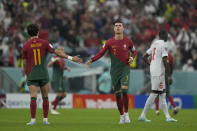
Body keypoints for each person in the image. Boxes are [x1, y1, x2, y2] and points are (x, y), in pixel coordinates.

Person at [22, 24, 82, 125]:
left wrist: (26, 74)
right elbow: (57, 53)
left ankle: (33, 120)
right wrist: (71, 58)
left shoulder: (26, 46)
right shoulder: (45, 43)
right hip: (43, 73)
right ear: (38, 32)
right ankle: (45, 120)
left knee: (33, 97)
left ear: (28, 33)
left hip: (32, 73)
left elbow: (24, 63)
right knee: (45, 97)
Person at [85, 20, 136, 124]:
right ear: (114, 29)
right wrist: (91, 60)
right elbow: (100, 53)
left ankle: (126, 114)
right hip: (114, 71)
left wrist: (132, 57)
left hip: (125, 69)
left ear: (123, 28)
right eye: (116, 26)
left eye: (119, 26)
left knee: (125, 91)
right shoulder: (109, 42)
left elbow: (134, 51)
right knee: (117, 95)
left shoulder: (128, 41)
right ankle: (121, 116)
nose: (118, 27)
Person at [138, 30, 177, 122]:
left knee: (162, 93)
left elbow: (144, 56)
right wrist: (169, 76)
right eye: (167, 35)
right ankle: (142, 115)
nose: (167, 37)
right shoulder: (164, 44)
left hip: (157, 71)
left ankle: (168, 117)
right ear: (165, 36)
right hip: (158, 72)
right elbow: (164, 60)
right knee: (154, 93)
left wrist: (151, 65)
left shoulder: (154, 44)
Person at [47, 46, 71, 115]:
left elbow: (61, 67)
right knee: (60, 94)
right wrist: (55, 60)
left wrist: (66, 68)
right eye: (61, 50)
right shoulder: (55, 58)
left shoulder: (62, 58)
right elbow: (48, 65)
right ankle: (53, 109)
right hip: (56, 78)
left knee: (64, 95)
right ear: (57, 51)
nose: (63, 51)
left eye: (63, 50)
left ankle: (52, 104)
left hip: (60, 78)